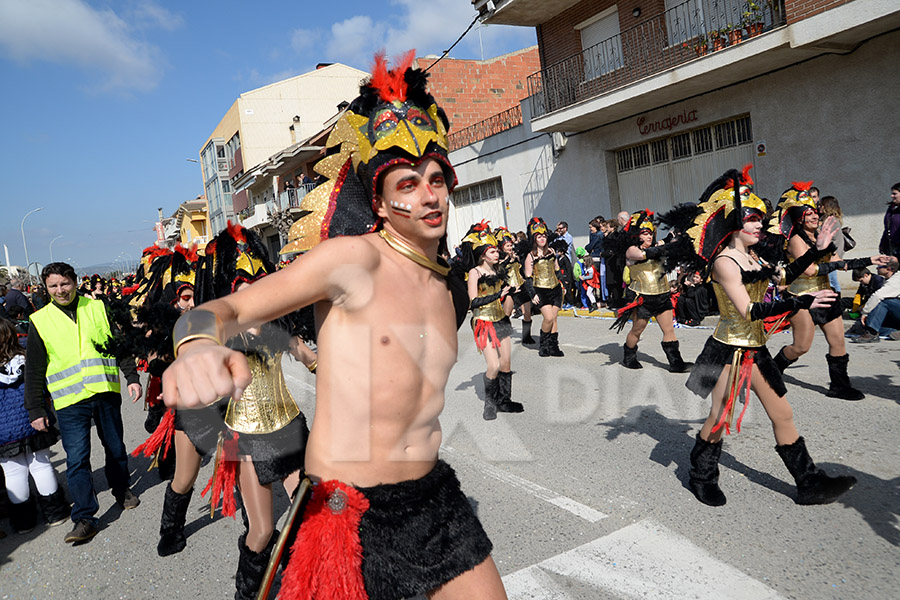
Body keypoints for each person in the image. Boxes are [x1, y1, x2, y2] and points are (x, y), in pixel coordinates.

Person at [162, 53, 504, 600]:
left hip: (433, 498)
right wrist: (199, 345)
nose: (428, 194)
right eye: (409, 182)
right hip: (345, 510)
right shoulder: (352, 261)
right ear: (382, 202)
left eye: (437, 179)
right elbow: (221, 311)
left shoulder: (448, 287)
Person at [677, 168, 856, 507]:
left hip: (755, 349)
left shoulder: (753, 255)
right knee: (719, 418)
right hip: (728, 349)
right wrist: (804, 300)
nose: (761, 224)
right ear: (734, 225)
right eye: (753, 220)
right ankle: (700, 476)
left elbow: (784, 275)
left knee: (782, 414)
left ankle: (809, 483)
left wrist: (816, 252)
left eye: (761, 218)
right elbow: (749, 310)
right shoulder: (725, 262)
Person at [24, 262, 142, 545]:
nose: (60, 290)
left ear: (75, 282)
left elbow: (118, 345)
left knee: (115, 447)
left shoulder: (98, 307)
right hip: (70, 400)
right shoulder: (40, 320)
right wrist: (36, 408)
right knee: (77, 458)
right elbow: (35, 368)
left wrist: (132, 377)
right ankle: (85, 517)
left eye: (64, 284)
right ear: (46, 288)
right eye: (53, 286)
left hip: (104, 391)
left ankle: (122, 488)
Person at [769, 181, 889, 400]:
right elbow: (810, 270)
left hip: (826, 295)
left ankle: (839, 386)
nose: (815, 216)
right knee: (801, 347)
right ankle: (774, 367)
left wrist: (870, 260)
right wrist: (825, 254)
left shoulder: (821, 237)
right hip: (802, 298)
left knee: (838, 341)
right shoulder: (795, 240)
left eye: (815, 212)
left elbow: (838, 262)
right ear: (799, 218)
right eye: (808, 214)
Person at [0, 318, 70, 533]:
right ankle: (55, 513)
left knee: (13, 472)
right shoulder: (26, 358)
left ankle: (24, 522)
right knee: (41, 464)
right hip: (32, 420)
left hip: (3, 431)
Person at [610, 209, 691, 372]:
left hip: (662, 295)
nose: (649, 236)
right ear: (637, 235)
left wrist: (678, 232)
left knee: (669, 330)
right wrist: (668, 242)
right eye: (645, 233)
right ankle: (629, 357)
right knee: (637, 331)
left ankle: (676, 363)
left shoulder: (657, 245)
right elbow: (645, 254)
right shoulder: (631, 250)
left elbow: (665, 244)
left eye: (651, 233)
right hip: (643, 298)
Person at [461, 223, 523, 420]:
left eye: (496, 251)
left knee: (506, 363)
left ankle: (504, 401)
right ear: (482, 255)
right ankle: (490, 403)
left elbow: (506, 289)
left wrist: (512, 291)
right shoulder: (475, 273)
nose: (496, 254)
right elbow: (473, 302)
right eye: (492, 251)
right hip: (483, 321)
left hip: (501, 319)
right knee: (494, 365)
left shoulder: (499, 270)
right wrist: (499, 294)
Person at [524, 217, 565, 357]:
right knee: (548, 318)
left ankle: (554, 347)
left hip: (555, 289)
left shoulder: (552, 251)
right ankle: (544, 344)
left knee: (554, 318)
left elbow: (557, 269)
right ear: (534, 239)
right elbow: (528, 277)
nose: (542, 239)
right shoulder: (530, 256)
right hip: (541, 290)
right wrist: (532, 294)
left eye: (544, 236)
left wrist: (563, 283)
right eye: (539, 236)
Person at [495, 227, 535, 345]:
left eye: (511, 245)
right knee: (507, 314)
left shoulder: (516, 254)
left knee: (527, 311)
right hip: (509, 288)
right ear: (502, 247)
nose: (510, 248)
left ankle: (526, 336)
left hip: (521, 286)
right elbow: (499, 271)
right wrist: (508, 259)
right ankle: (501, 335)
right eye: (507, 246)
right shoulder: (499, 258)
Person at [852, 257, 900, 342]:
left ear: (888, 269)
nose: (877, 268)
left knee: (884, 302)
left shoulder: (897, 280)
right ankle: (893, 332)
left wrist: (865, 313)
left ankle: (872, 334)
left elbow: (877, 296)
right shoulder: (889, 279)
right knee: (870, 322)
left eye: (879, 266)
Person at [817, 196, 846, 293]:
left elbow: (824, 236)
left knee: (832, 281)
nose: (819, 207)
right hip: (830, 255)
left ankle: (838, 301)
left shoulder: (831, 220)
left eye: (821, 205)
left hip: (832, 256)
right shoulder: (829, 219)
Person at [585, 218, 606, 305]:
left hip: (596, 259)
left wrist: (589, 248)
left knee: (595, 280)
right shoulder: (597, 235)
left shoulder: (597, 236)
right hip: (596, 258)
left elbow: (589, 247)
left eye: (591, 227)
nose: (590, 230)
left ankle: (599, 299)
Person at [879, 182, 900, 260]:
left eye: (895, 194)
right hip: (891, 248)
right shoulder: (891, 209)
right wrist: (883, 243)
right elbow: (887, 228)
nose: (892, 196)